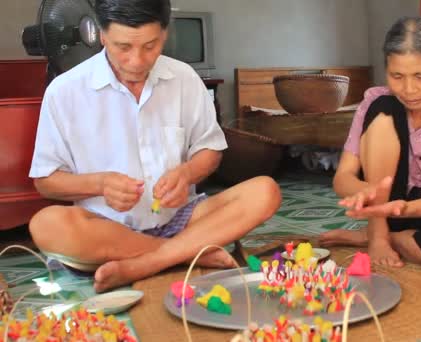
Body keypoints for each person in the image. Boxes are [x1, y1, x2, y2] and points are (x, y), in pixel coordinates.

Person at [28, 0, 281, 292]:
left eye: (150, 46)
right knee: (46, 225)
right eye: (123, 47)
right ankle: (185, 254)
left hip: (182, 219)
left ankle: (145, 263)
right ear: (102, 35)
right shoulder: (65, 91)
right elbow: (46, 181)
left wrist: (187, 173)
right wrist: (100, 184)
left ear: (164, 34)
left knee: (265, 190)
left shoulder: (184, 78)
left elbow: (209, 151)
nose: (137, 61)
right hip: (105, 229)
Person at [319, 16, 421, 269]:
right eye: (397, 76)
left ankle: (385, 238)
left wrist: (403, 209)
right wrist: (364, 191)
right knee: (383, 107)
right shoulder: (375, 101)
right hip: (385, 211)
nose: (409, 89)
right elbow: (342, 177)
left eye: (420, 76)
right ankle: (377, 236)